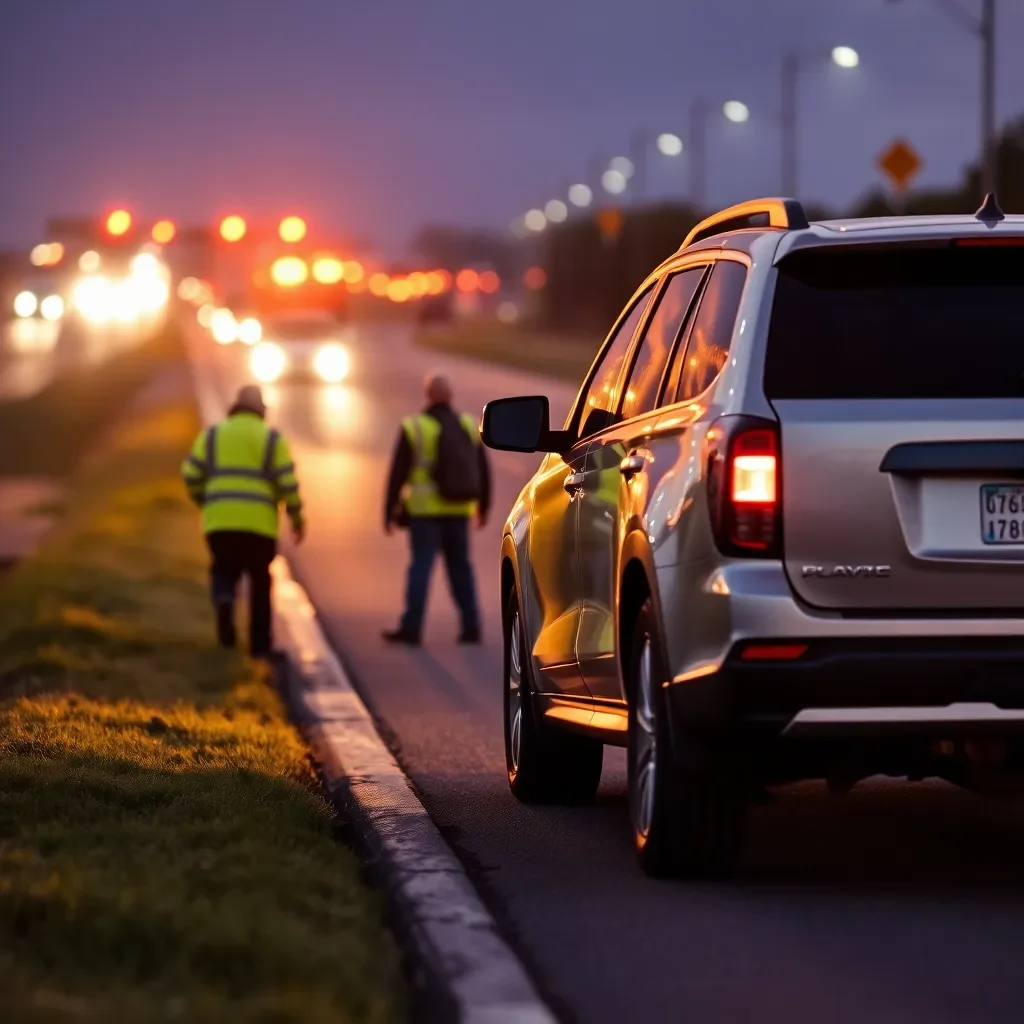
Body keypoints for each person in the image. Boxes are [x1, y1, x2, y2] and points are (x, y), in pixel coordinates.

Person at [181, 384, 304, 659]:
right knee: (260, 581)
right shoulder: (272, 439)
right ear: (261, 410)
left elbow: (190, 474)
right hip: (258, 527)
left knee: (223, 570)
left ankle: (225, 602)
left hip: (219, 523)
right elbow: (287, 483)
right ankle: (260, 647)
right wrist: (297, 518)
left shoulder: (212, 436)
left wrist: (205, 501)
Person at [382, 372, 490, 646]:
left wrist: (389, 511)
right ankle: (471, 626)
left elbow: (398, 473)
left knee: (421, 567)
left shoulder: (414, 427)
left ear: (428, 395)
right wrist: (483, 507)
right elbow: (482, 470)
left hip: (424, 512)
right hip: (458, 510)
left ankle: (411, 629)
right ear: (451, 396)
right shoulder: (467, 425)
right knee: (461, 569)